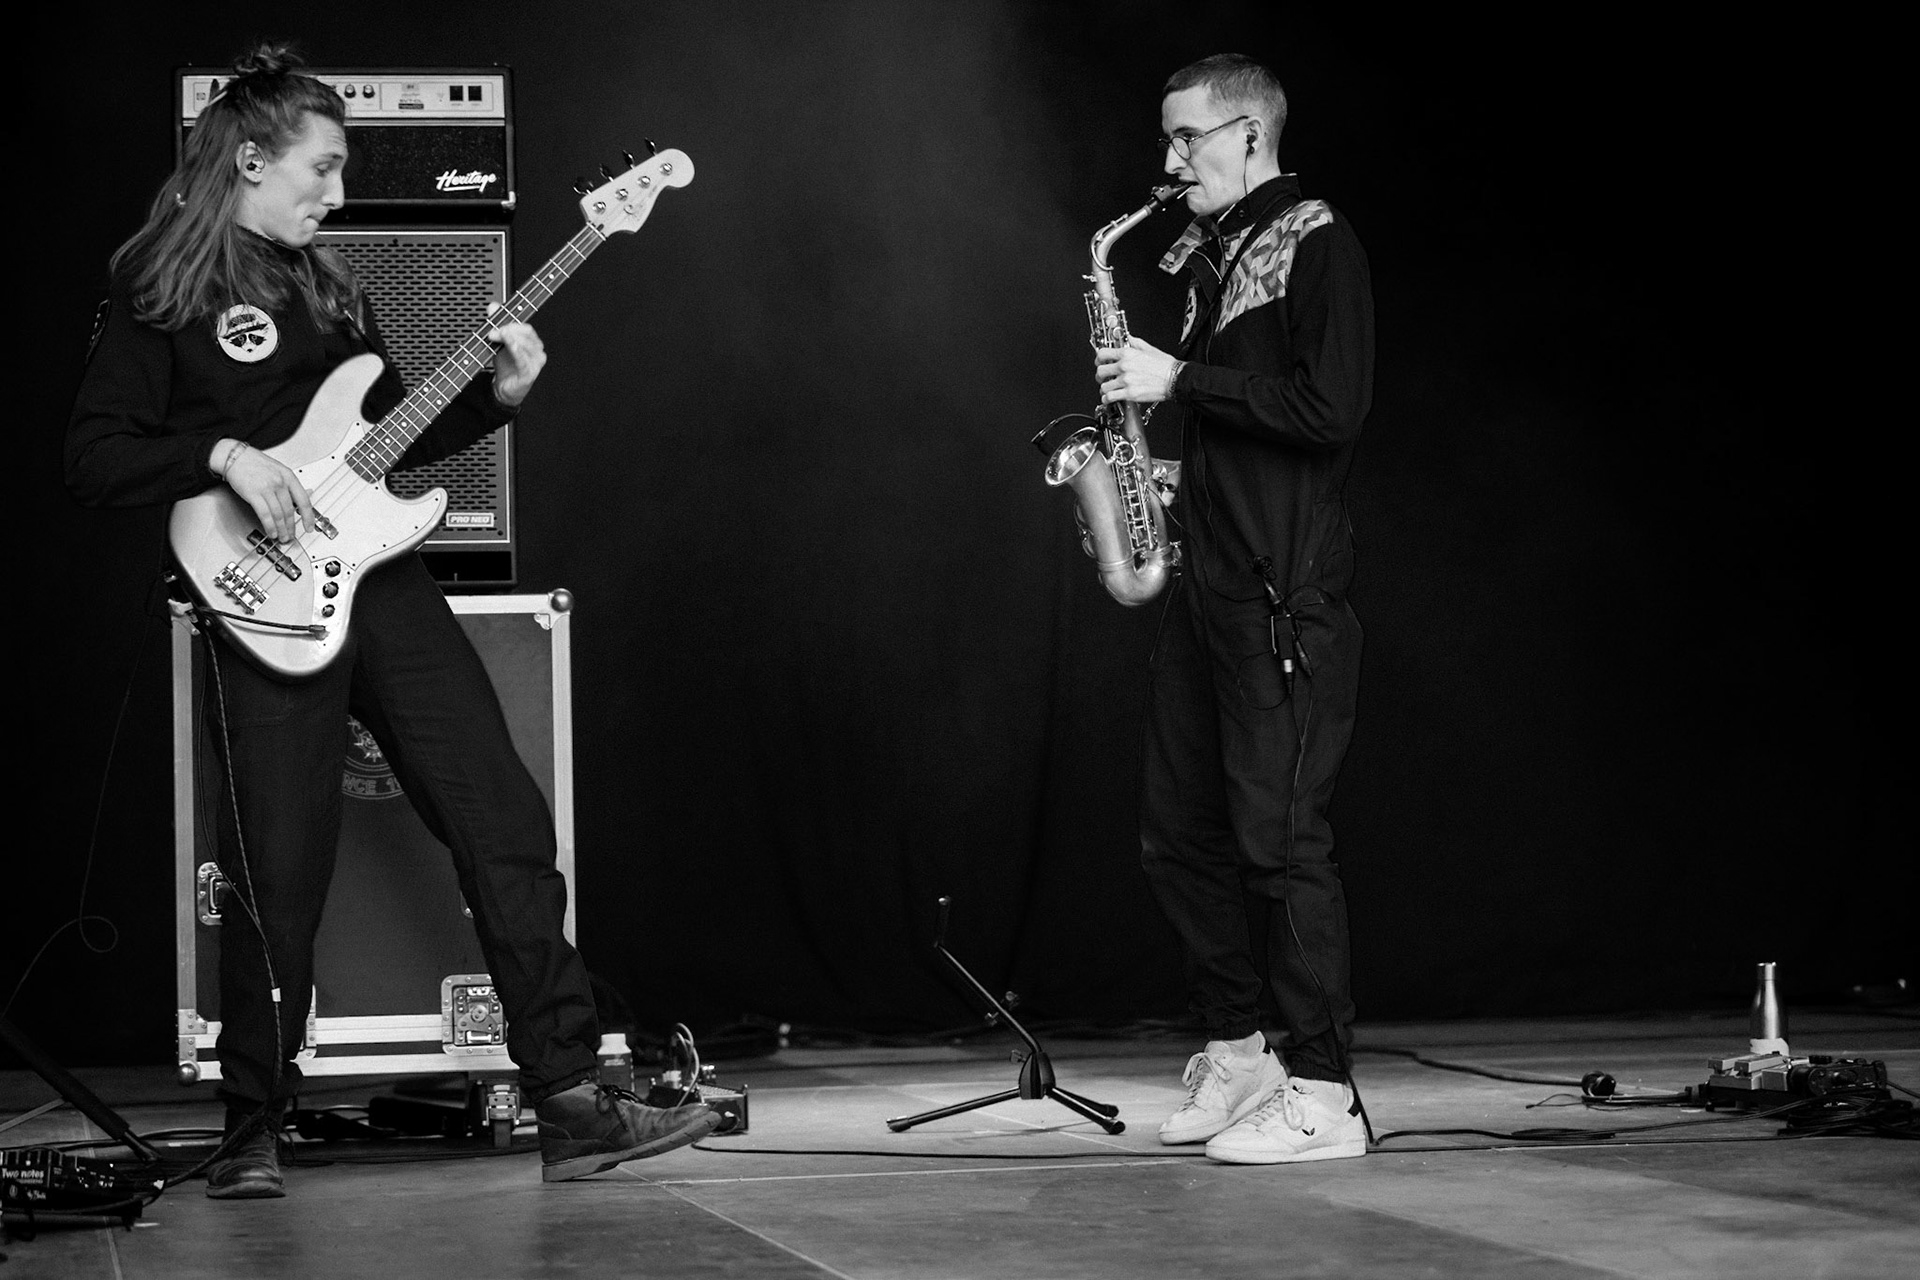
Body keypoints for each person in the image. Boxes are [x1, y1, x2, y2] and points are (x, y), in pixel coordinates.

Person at [64, 44, 720, 1197]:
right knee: (279, 869)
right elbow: (94, 456)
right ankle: (252, 1121)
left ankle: (566, 1087)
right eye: (320, 169)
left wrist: (501, 393)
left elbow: (388, 446)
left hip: (384, 583)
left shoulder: (332, 286)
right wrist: (223, 452)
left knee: (504, 815)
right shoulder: (160, 284)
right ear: (251, 159)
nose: (335, 192)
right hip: (258, 598)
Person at [1094, 53, 1375, 1164]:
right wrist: (1165, 476)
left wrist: (1181, 383)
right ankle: (1244, 1049)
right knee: (1179, 840)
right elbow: (1245, 434)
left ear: (1249, 133)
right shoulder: (1215, 255)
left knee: (1282, 844)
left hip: (1280, 599)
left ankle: (1325, 1088)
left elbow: (1328, 408)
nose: (1169, 161)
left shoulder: (1318, 239)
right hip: (1205, 591)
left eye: (1186, 138)